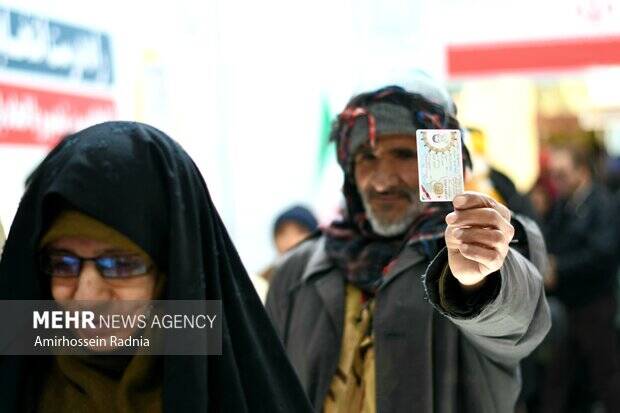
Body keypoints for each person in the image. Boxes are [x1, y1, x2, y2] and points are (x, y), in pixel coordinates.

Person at [265, 85, 551, 412]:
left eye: (404, 155)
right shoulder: (297, 272)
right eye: (366, 158)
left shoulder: (482, 243)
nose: (382, 180)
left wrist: (475, 282)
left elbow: (517, 326)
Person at [0, 121, 313, 412]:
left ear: (175, 269)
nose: (87, 296)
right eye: (63, 263)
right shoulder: (19, 386)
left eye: (120, 265)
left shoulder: (236, 390)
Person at [544, 142, 620, 411]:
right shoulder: (563, 205)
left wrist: (559, 267)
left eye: (562, 174)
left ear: (581, 172)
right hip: (569, 304)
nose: (556, 181)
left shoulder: (602, 204)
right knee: (561, 377)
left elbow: (603, 253)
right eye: (553, 174)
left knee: (605, 376)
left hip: (594, 304)